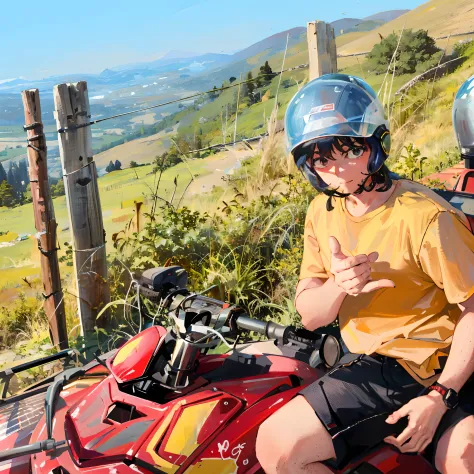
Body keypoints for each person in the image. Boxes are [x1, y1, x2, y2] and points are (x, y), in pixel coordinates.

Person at [255, 74, 474, 474]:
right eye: (321, 159)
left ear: (375, 145)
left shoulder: (427, 218)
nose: (337, 169)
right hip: (356, 354)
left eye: (349, 150)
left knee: (278, 445)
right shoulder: (321, 213)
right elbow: (311, 315)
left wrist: (441, 396)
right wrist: (339, 286)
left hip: (414, 360)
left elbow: (473, 311)